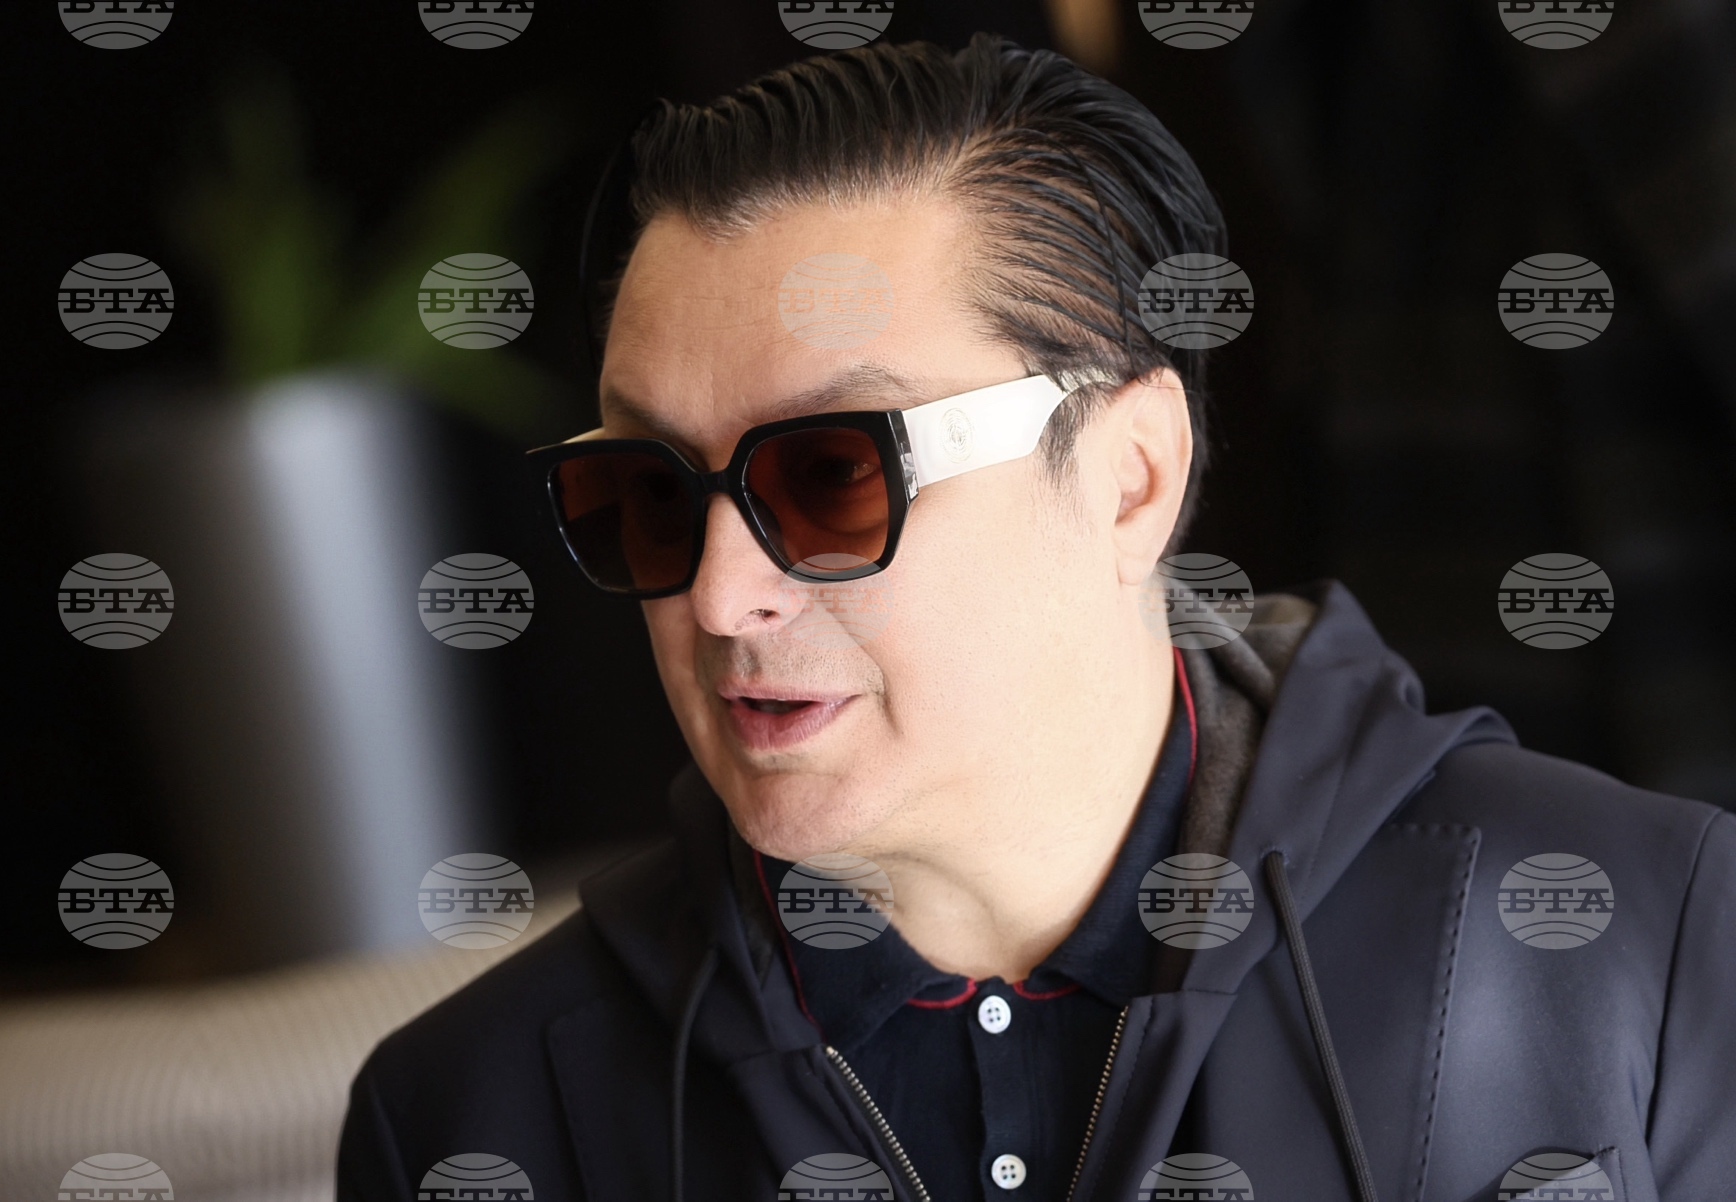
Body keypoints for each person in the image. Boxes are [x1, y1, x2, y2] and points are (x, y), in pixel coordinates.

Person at [337, 35, 1736, 1202]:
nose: (717, 593)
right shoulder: (471, 1117)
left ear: (1132, 477)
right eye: (647, 493)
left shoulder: (1647, 934)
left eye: (829, 477)